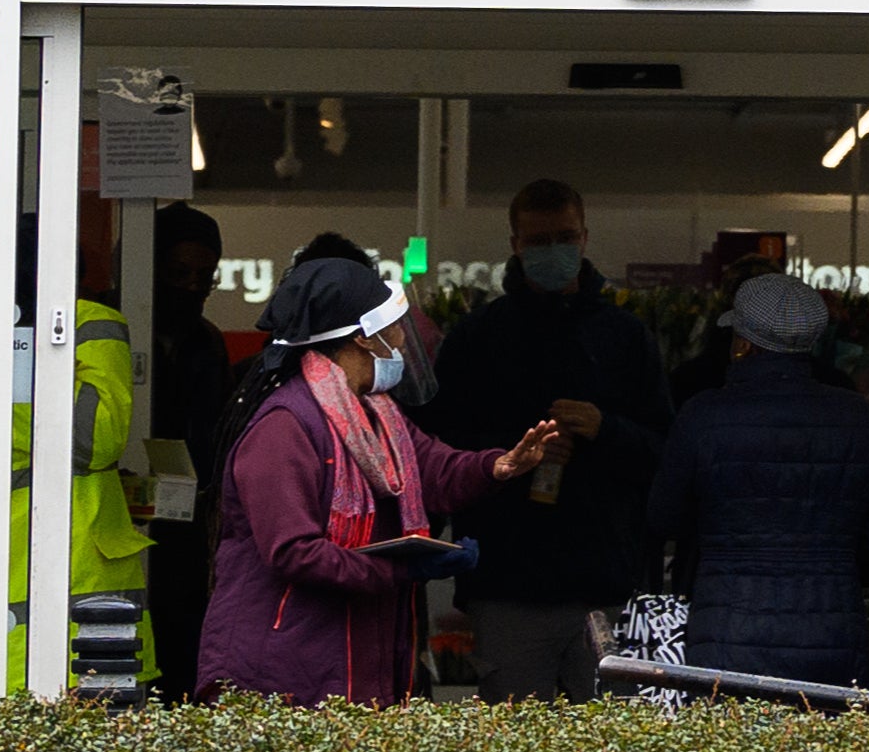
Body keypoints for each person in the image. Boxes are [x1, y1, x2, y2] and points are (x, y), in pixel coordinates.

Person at [201, 253, 563, 706]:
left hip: (349, 658)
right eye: (393, 327)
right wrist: (399, 570)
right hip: (285, 666)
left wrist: (498, 466)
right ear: (362, 337)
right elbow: (294, 552)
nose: (402, 339)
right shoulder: (284, 427)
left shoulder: (377, 412)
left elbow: (433, 468)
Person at [426, 179, 673, 700]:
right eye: (539, 241)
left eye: (564, 237)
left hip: (605, 583)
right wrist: (513, 455)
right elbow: (440, 454)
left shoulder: (626, 337)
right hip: (508, 584)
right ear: (515, 244)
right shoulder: (476, 339)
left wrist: (607, 429)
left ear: (584, 238)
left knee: (610, 738)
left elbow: (662, 452)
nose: (553, 251)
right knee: (514, 735)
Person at [0, 201, 150, 690]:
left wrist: (23, 349)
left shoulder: (76, 324)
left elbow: (93, 439)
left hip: (30, 579)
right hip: (13, 577)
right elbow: (95, 441)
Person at [642, 271, 869, 692]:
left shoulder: (704, 414)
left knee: (728, 735)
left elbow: (664, 518)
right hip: (832, 632)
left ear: (743, 343)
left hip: (726, 629)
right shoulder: (855, 416)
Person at [145, 203, 233, 696]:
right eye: (180, 273)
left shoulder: (208, 342)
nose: (193, 287)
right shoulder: (119, 326)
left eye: (205, 277)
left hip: (190, 526)